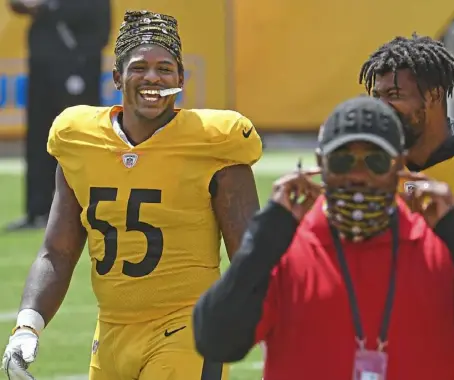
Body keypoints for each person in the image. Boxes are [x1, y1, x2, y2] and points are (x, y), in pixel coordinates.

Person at [2, 9, 262, 380]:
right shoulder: (79, 138)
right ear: (117, 77)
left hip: (187, 327)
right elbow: (57, 252)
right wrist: (27, 325)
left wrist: (274, 329)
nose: (152, 78)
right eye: (139, 67)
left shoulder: (215, 141)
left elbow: (248, 253)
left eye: (165, 68)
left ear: (181, 79)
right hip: (111, 333)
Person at [192, 96, 454, 380]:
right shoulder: (285, 251)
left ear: (399, 166)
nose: (358, 175)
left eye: (375, 161)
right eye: (343, 161)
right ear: (321, 165)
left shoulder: (440, 249)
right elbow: (216, 338)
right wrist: (267, 231)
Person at [358, 33, 454, 379]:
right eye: (377, 96)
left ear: (434, 95)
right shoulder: (364, 173)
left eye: (394, 95)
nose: (382, 107)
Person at [5, 0, 111, 231]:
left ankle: (88, 207)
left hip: (77, 65)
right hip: (43, 67)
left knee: (81, 137)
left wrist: (46, 6)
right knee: (39, 139)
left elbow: (95, 17)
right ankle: (37, 210)